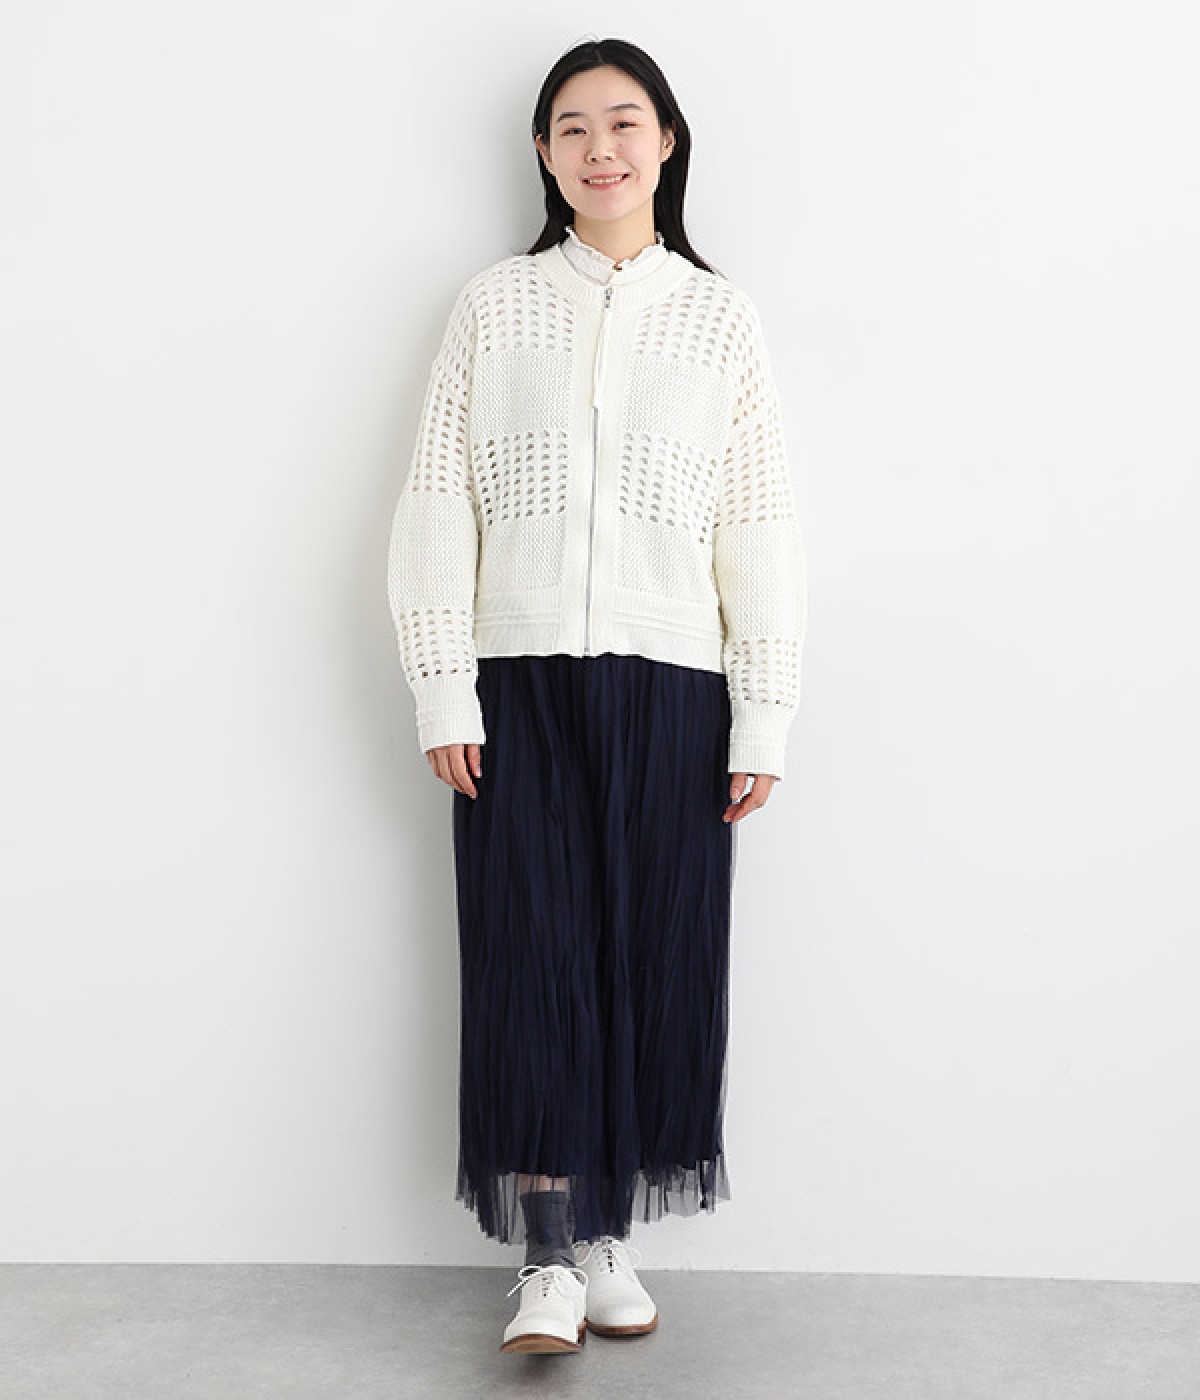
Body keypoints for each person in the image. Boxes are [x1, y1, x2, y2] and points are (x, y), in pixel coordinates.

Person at [386, 36, 807, 1356]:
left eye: (624, 122)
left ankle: (613, 1235)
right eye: (572, 127)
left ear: (667, 142)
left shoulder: (719, 318)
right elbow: (436, 503)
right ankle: (548, 1258)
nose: (601, 147)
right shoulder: (494, 307)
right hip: (516, 684)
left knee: (652, 959)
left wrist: (764, 709)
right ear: (544, 154)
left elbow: (759, 527)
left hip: (676, 684)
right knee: (531, 957)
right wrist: (444, 687)